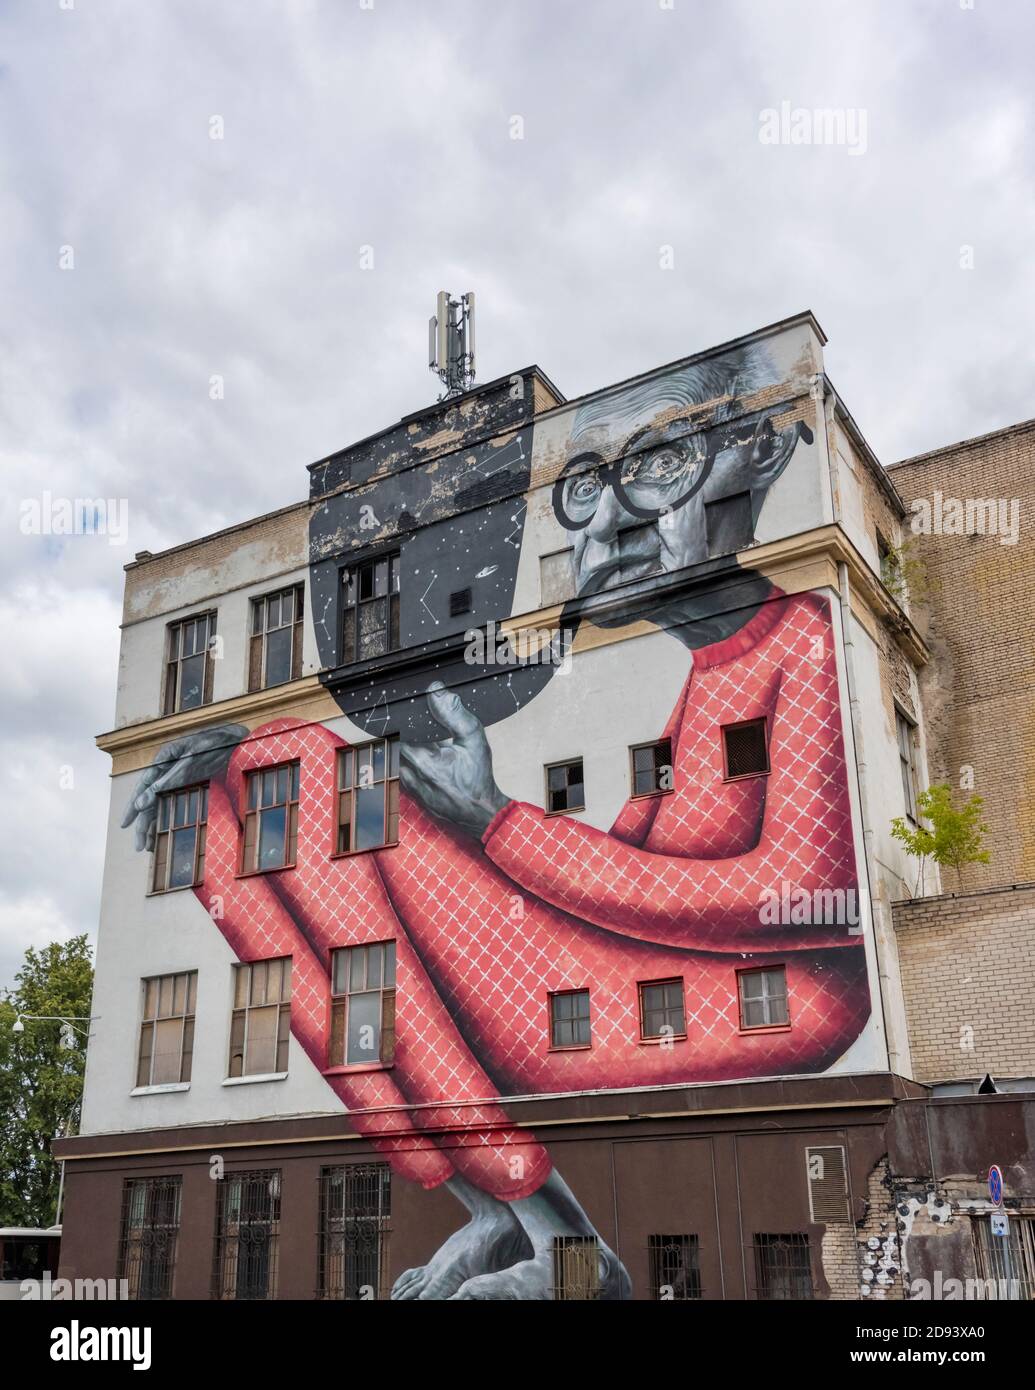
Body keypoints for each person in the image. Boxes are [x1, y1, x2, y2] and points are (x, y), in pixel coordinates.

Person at [123, 359, 868, 1299]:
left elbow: (795, 898)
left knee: (308, 767)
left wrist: (498, 822)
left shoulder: (801, 638)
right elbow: (634, 869)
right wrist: (237, 753)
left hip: (759, 1003)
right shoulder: (709, 675)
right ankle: (526, 1225)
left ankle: (546, 1237)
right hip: (639, 979)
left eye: (658, 465)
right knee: (267, 801)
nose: (606, 523)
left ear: (757, 452)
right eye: (583, 491)